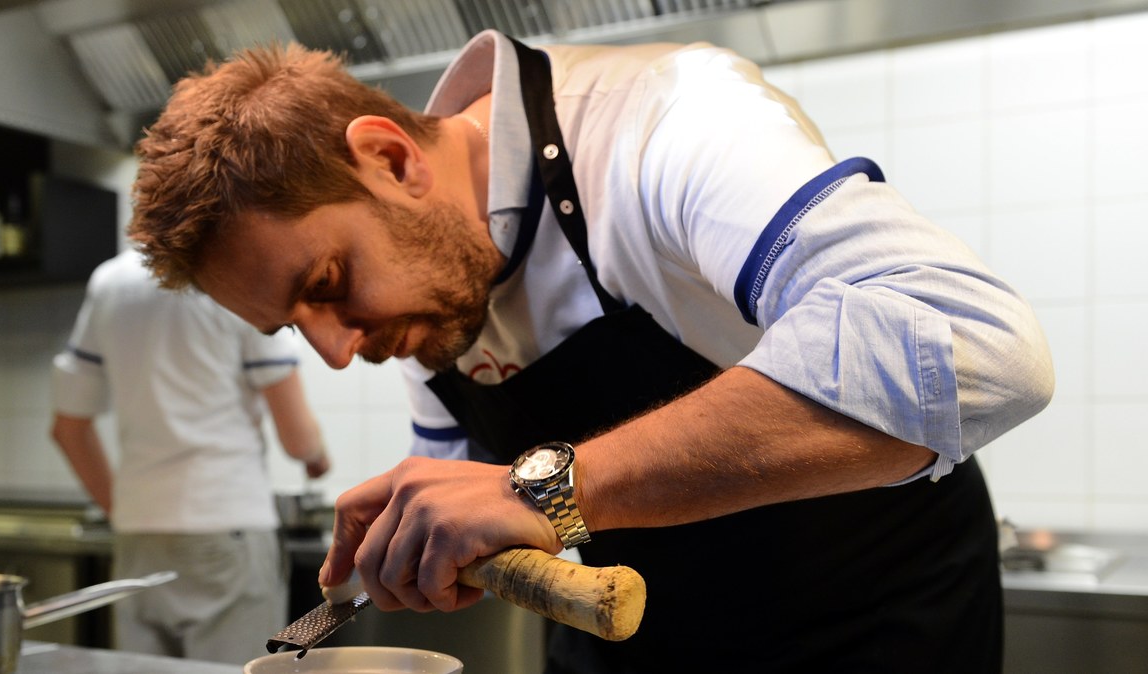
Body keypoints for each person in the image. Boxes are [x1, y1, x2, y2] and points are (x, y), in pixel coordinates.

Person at [125, 30, 1054, 673]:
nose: (335, 350)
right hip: (627, 643)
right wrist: (436, 531)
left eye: (326, 284)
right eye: (294, 326)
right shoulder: (423, 282)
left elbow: (973, 344)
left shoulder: (665, 121)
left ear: (395, 162)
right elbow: (487, 478)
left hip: (864, 630)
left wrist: (541, 491)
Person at [50, 247, 330, 666]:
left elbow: (67, 428)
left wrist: (121, 508)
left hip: (138, 535)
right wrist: (317, 458)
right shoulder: (237, 273)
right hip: (225, 528)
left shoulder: (109, 283)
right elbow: (298, 440)